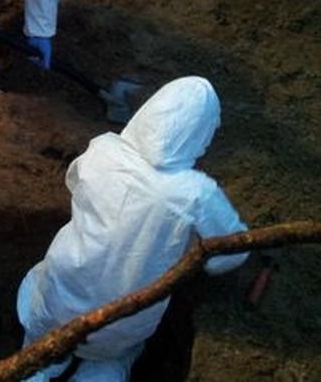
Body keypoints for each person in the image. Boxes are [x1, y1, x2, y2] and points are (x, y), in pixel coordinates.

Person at [16, 76, 249, 381]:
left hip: (57, 298)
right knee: (111, 360)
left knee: (39, 351)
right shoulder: (195, 193)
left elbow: (74, 184)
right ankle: (98, 372)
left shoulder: (103, 150)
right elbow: (231, 254)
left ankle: (40, 369)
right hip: (121, 326)